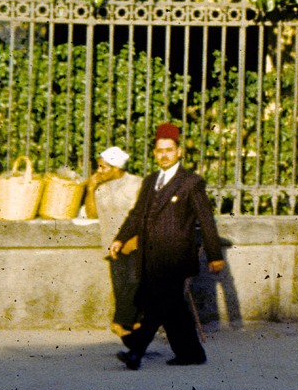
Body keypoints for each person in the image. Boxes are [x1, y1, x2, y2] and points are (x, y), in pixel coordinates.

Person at [111, 125, 225, 369]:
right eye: (160, 151)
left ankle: (136, 348)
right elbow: (137, 214)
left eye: (169, 150)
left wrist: (214, 255)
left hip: (176, 257)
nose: (164, 155)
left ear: (179, 152)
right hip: (150, 255)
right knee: (173, 307)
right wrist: (120, 238)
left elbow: (206, 220)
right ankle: (191, 353)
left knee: (159, 303)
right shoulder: (150, 181)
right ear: (154, 153)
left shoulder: (191, 183)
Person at [87, 145, 142, 337]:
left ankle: (119, 322)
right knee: (120, 286)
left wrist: (134, 238)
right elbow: (92, 213)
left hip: (134, 242)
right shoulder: (101, 189)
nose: (99, 171)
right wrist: (90, 188)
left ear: (116, 168)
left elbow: (143, 213)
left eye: (103, 167)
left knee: (135, 281)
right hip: (112, 243)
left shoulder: (136, 184)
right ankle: (133, 324)